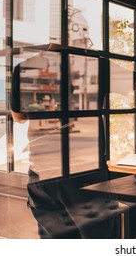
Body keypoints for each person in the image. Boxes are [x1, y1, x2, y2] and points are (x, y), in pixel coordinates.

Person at [10, 56, 120, 238]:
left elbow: (19, 117)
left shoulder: (26, 67)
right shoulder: (95, 65)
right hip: (84, 173)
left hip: (42, 174)